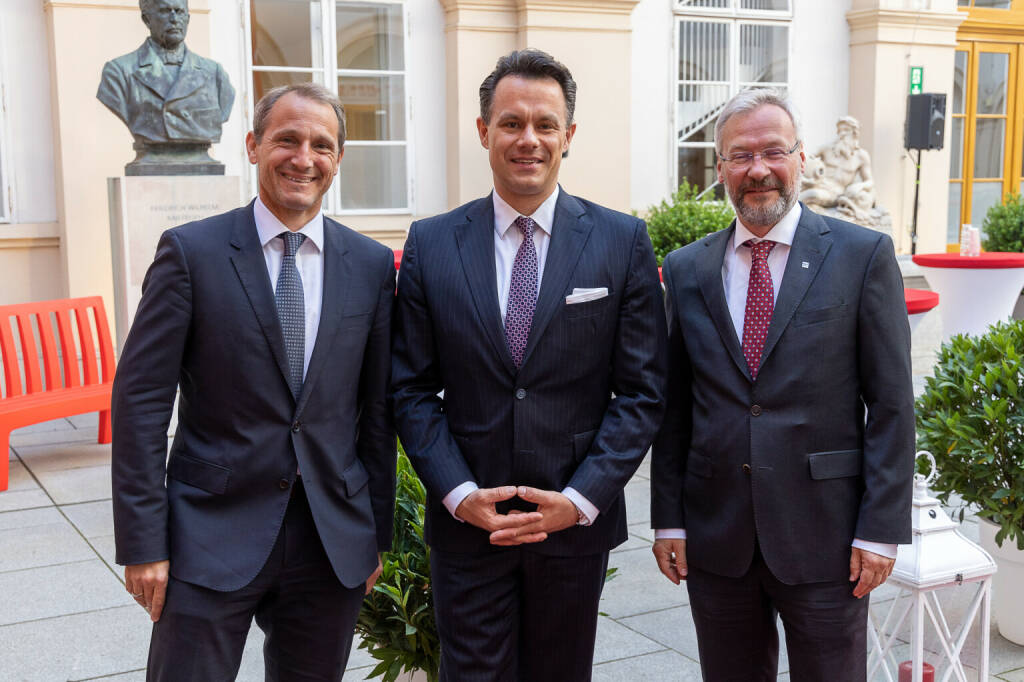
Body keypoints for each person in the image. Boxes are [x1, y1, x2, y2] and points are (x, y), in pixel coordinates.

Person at [391, 48, 668, 682]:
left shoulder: (621, 240)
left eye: (545, 124)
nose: (529, 139)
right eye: (511, 122)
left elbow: (643, 392)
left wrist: (581, 498)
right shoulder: (432, 241)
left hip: (571, 526)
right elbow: (409, 389)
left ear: (568, 136)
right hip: (468, 526)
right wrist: (459, 495)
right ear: (484, 131)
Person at [111, 82, 396, 681]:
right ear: (252, 146)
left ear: (338, 159)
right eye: (286, 139)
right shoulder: (192, 253)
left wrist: (373, 531)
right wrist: (143, 542)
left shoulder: (369, 265)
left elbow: (376, 410)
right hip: (208, 532)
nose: (304, 157)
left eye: (322, 145)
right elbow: (140, 402)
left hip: (329, 540)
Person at [650, 88, 914, 681]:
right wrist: (669, 520)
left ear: (801, 158)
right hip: (718, 538)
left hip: (829, 537)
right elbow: (673, 408)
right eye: (740, 156)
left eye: (774, 151)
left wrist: (880, 529)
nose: (758, 169)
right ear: (720, 169)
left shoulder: (861, 255)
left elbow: (893, 403)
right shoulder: (689, 269)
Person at [97, 0, 234, 169]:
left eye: (179, 11)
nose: (174, 18)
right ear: (147, 19)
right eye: (165, 11)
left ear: (188, 19)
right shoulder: (119, 72)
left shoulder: (214, 73)